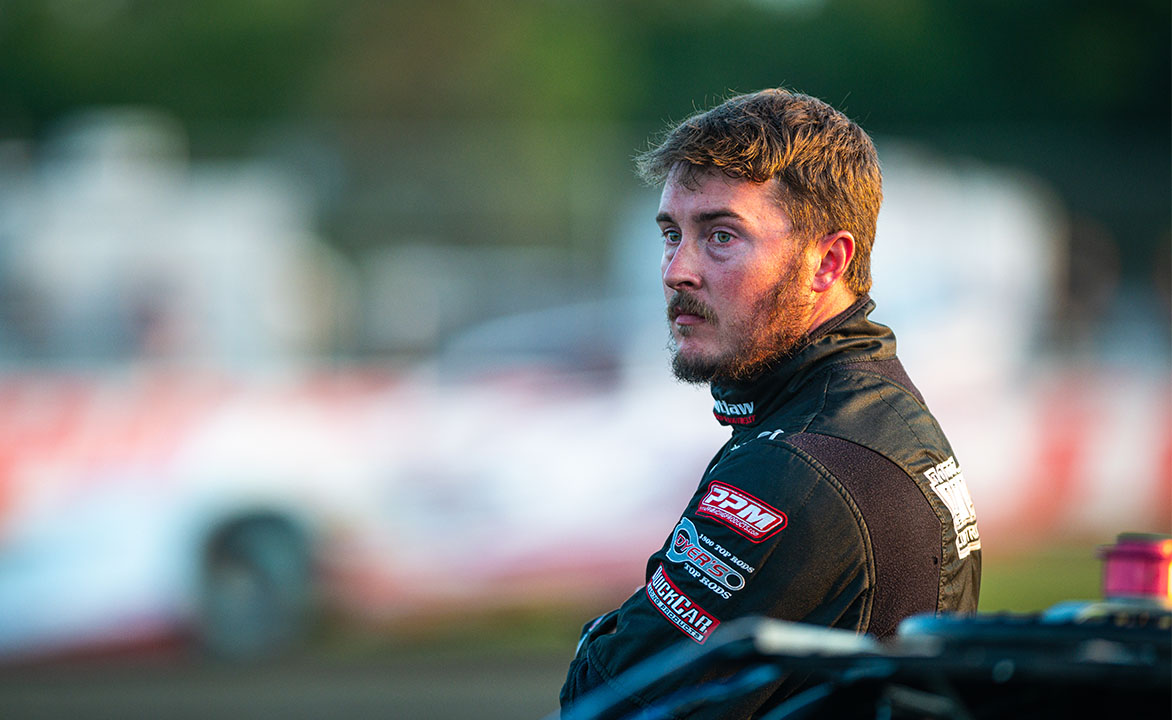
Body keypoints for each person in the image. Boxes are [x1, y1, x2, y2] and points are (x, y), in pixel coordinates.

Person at [559, 88, 982, 718]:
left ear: (827, 261)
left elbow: (606, 701)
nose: (678, 269)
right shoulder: (871, 408)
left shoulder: (797, 471)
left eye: (721, 236)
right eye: (672, 234)